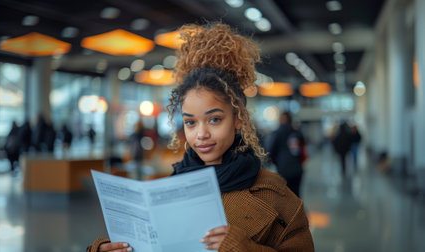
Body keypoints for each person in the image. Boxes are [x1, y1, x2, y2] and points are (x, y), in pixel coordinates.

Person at [87, 23, 314, 252]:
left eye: (214, 119)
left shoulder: (275, 195)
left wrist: (244, 247)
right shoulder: (169, 188)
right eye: (190, 122)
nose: (201, 134)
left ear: (238, 119)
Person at [267, 111, 305, 197]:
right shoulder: (297, 132)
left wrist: (277, 163)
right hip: (298, 168)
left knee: (287, 198)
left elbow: (270, 151)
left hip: (284, 169)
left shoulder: (277, 133)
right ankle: (299, 210)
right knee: (297, 195)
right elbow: (302, 148)